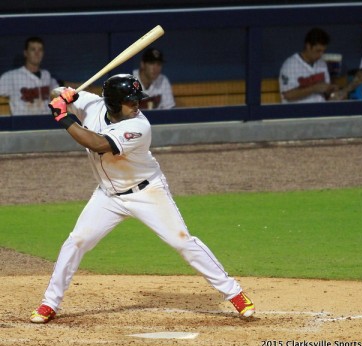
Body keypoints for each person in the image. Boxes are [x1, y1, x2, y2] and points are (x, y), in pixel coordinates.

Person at [30, 74, 255, 324]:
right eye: (131, 101)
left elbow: (96, 143)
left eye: (138, 99)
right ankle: (49, 303)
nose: (137, 104)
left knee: (182, 241)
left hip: (147, 193)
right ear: (114, 103)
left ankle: (234, 293)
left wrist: (63, 116)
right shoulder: (92, 104)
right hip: (107, 195)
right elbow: (55, 93)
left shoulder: (138, 126)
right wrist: (65, 95)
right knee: (77, 241)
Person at [0, 37, 59, 115]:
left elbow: (61, 88)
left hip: (46, 122)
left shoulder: (46, 75)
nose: (37, 53)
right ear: (26, 53)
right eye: (33, 49)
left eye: (40, 50)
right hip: (23, 123)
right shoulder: (11, 77)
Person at [279, 27, 337, 104]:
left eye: (323, 51)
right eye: (318, 51)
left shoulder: (322, 63)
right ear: (308, 46)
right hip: (299, 112)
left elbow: (325, 92)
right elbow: (287, 95)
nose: (321, 54)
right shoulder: (290, 64)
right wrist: (314, 88)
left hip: (322, 110)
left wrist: (332, 91)